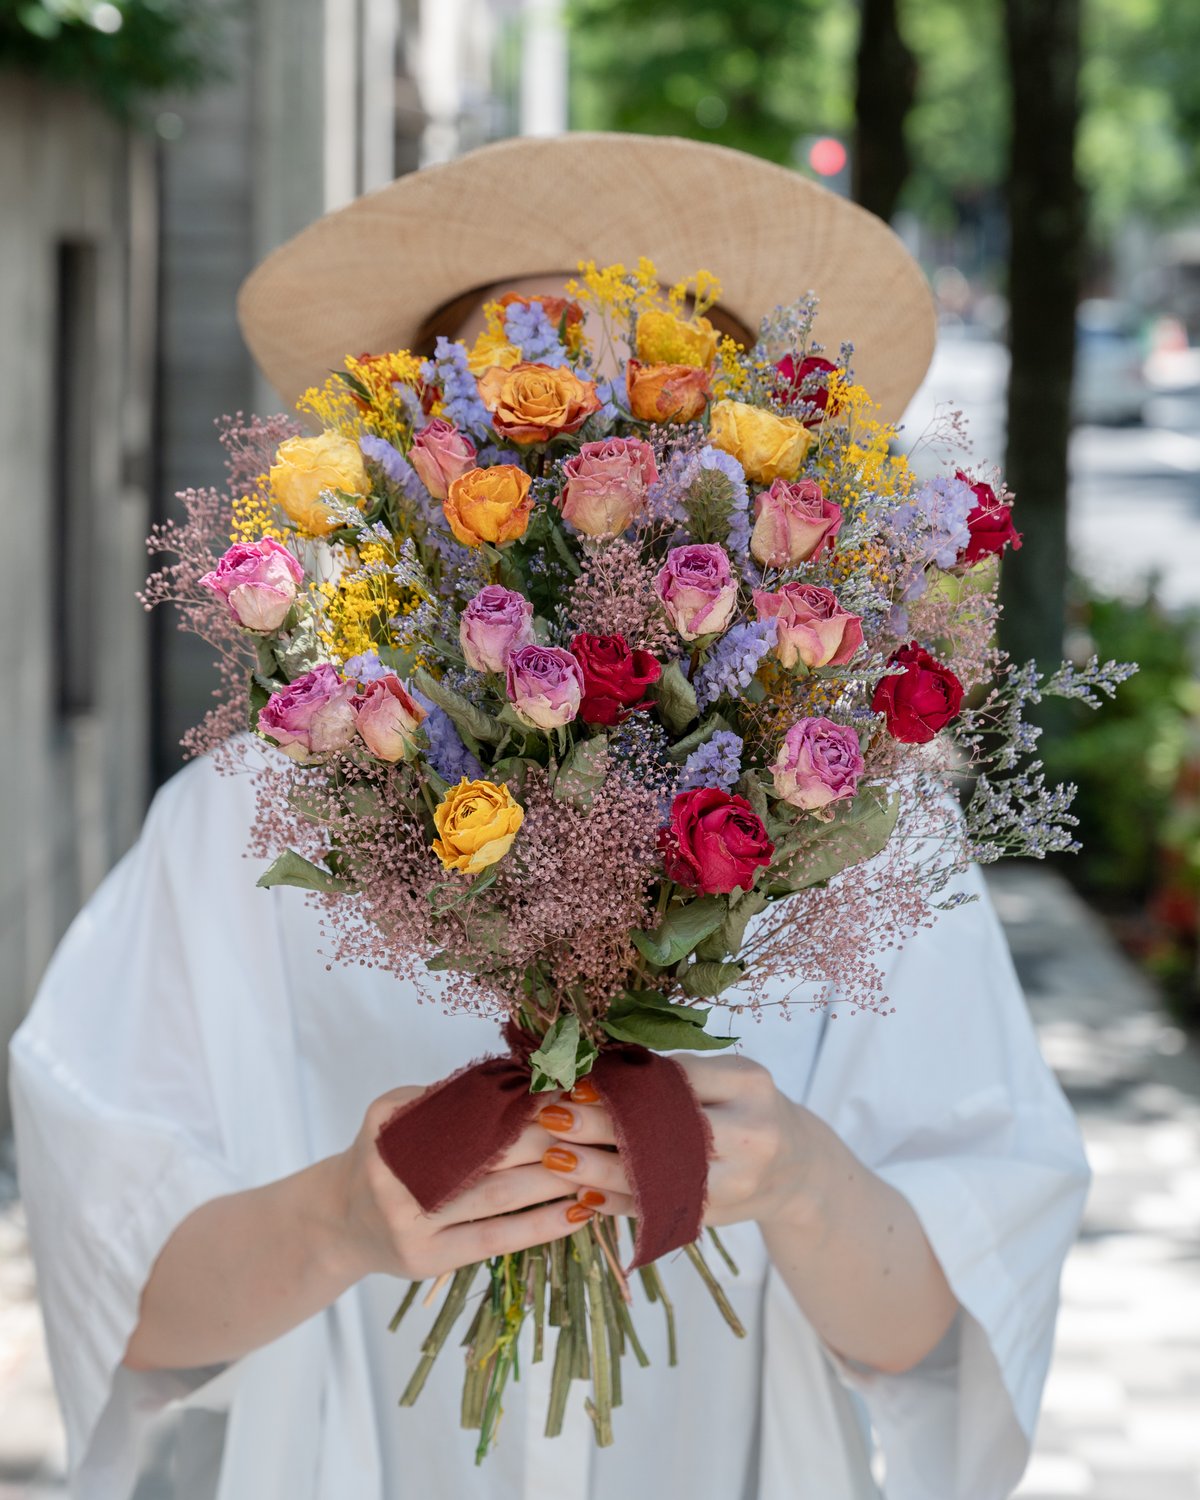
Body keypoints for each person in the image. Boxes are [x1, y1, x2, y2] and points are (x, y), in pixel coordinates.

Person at [10, 133, 1088, 1500]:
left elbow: (953, 1336)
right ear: (422, 458)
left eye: (649, 388)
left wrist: (803, 1182)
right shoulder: (256, 809)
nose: (595, 431)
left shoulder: (859, 816)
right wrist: (343, 1218)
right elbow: (120, 1310)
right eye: (527, 384)